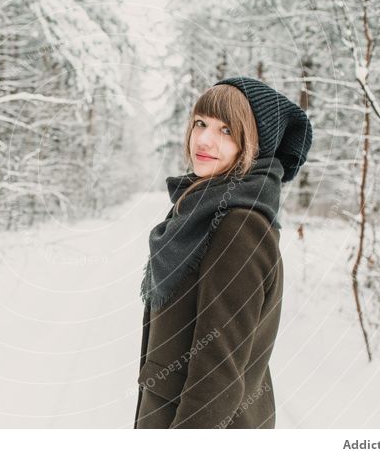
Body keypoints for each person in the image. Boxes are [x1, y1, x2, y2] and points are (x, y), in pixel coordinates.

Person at [133, 76, 313, 429]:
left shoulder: (240, 226)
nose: (203, 139)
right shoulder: (202, 209)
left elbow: (218, 374)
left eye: (226, 130)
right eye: (200, 123)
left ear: (254, 145)